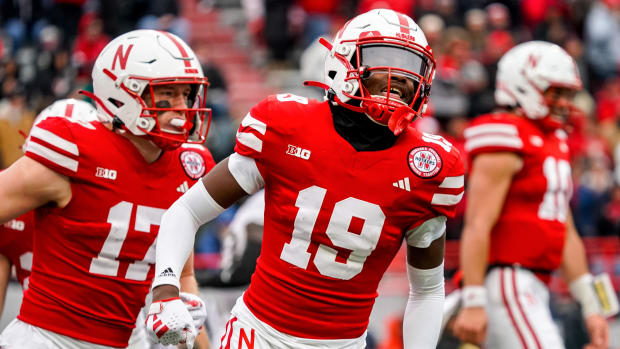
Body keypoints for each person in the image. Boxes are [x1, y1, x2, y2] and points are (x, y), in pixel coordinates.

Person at [148, 8, 465, 349]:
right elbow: (187, 211)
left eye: (412, 67)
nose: (403, 77)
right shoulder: (287, 126)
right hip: (257, 334)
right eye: (386, 58)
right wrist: (165, 291)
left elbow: (428, 289)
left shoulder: (428, 169)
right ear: (345, 62)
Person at [0, 29, 215, 349]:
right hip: (49, 339)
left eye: (187, 94)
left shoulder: (189, 166)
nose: (182, 108)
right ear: (124, 94)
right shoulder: (74, 148)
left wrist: (184, 330)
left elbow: (181, 275)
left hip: (128, 340)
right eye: (167, 93)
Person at [452, 41, 612, 348]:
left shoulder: (555, 141)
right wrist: (474, 299)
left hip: (538, 284)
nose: (565, 103)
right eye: (556, 92)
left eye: (568, 93)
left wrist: (592, 308)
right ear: (522, 85)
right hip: (507, 279)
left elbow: (565, 232)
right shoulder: (507, 134)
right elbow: (477, 225)